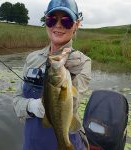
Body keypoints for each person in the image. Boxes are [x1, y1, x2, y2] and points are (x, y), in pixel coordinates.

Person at [13, 0, 91, 149]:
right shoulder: (32, 58)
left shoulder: (82, 62)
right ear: (46, 22)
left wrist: (71, 72)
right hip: (32, 143)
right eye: (52, 19)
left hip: (68, 139)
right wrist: (31, 106)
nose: (58, 25)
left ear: (76, 24)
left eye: (67, 21)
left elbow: (72, 105)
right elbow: (16, 101)